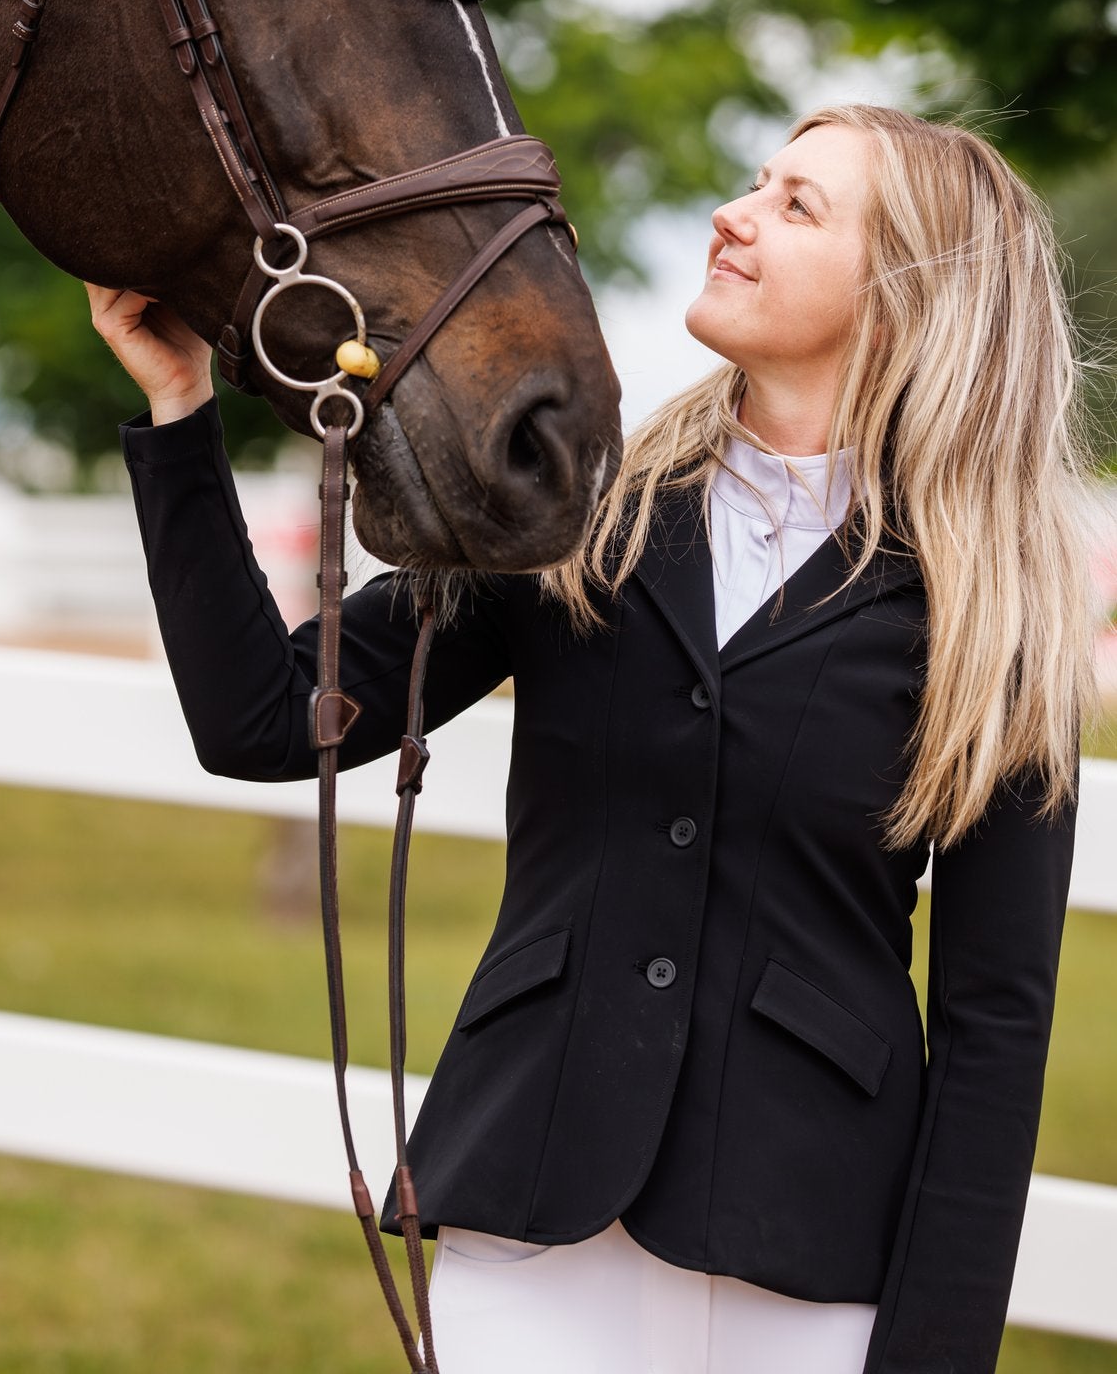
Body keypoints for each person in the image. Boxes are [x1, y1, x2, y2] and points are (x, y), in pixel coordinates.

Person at [86, 103, 1095, 1374]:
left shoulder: (993, 617)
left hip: (816, 1253)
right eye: (754, 180)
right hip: (531, 1217)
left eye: (796, 205)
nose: (733, 214)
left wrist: (935, 1352)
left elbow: (996, 1023)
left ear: (902, 299)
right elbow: (265, 719)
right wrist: (179, 415)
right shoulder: (580, 512)